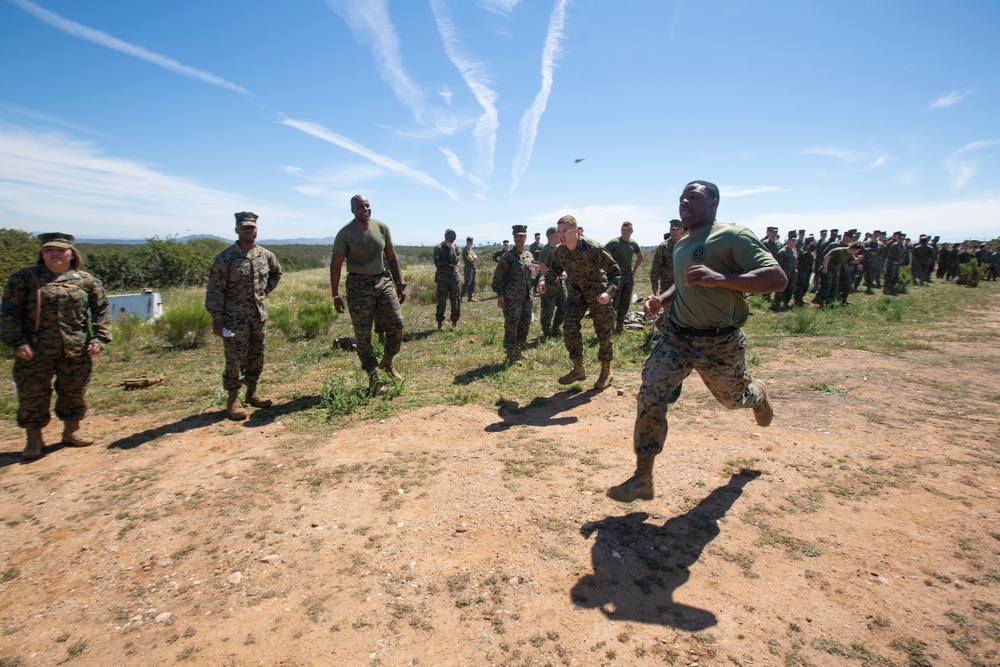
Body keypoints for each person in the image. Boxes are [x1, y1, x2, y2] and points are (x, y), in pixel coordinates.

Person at [606, 181, 786, 502]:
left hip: (719, 341)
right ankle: (642, 477)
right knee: (651, 391)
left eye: (694, 198)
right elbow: (685, 283)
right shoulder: (682, 243)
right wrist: (661, 300)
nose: (685, 202)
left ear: (713, 203)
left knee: (732, 400)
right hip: (677, 334)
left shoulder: (733, 236)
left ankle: (757, 395)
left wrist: (723, 280)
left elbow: (777, 278)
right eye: (682, 198)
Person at [1, 232, 111, 460]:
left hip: (76, 349)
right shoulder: (25, 278)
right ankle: (34, 438)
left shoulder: (85, 280)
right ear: (42, 254)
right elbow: (8, 313)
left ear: (72, 254)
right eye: (49, 250)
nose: (55, 254)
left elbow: (101, 310)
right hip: (33, 351)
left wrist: (100, 339)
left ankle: (72, 432)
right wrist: (17, 342)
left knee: (74, 392)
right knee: (33, 394)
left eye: (61, 250)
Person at [205, 212, 283, 420]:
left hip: (258, 317)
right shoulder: (225, 258)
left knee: (257, 356)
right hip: (233, 319)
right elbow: (215, 290)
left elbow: (277, 273)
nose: (250, 230)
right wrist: (217, 320)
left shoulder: (265, 255)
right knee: (235, 359)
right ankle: (233, 400)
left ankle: (252, 393)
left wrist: (263, 293)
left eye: (252, 227)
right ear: (237, 230)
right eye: (245, 227)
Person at [331, 195, 407, 391]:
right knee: (363, 334)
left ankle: (388, 362)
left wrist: (400, 283)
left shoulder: (381, 227)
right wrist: (335, 295)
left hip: (383, 280)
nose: (365, 209)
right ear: (352, 210)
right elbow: (336, 265)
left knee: (397, 324)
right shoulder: (345, 233)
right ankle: (373, 376)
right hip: (358, 284)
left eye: (367, 206)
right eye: (359, 207)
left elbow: (391, 256)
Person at [538, 215, 621, 390]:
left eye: (565, 231)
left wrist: (608, 293)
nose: (561, 235)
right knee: (569, 326)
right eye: (558, 231)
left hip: (597, 291)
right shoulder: (560, 251)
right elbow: (555, 269)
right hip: (577, 292)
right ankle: (578, 368)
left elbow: (615, 271)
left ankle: (606, 371)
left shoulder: (592, 248)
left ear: (575, 231)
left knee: (603, 330)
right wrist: (544, 280)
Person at [492, 225, 535, 364]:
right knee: (511, 325)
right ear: (513, 238)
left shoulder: (529, 255)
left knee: (524, 324)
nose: (519, 239)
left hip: (527, 297)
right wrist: (500, 295)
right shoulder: (508, 256)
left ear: (525, 238)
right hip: (512, 298)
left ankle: (519, 350)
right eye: (516, 236)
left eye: (521, 236)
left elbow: (532, 275)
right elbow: (498, 277)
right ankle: (510, 354)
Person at [605, 221, 645, 333]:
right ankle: (610, 327)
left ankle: (619, 326)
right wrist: (608, 268)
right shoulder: (614, 242)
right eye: (623, 230)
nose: (625, 232)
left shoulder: (633, 243)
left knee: (625, 301)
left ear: (632, 231)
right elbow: (602, 253)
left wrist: (634, 269)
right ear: (620, 230)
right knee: (614, 301)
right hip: (616, 275)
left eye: (628, 230)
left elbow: (640, 256)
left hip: (628, 275)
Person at [537, 226, 567, 340]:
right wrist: (552, 275)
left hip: (560, 283)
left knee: (564, 305)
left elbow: (561, 264)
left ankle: (556, 328)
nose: (561, 236)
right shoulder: (546, 250)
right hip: (549, 284)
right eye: (558, 234)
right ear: (552, 237)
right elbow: (542, 266)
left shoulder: (559, 248)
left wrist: (563, 272)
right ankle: (546, 332)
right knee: (548, 309)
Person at [433, 229, 461, 329]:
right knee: (441, 301)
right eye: (450, 237)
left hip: (454, 278)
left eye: (453, 238)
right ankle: (439, 322)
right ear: (446, 237)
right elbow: (438, 263)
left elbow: (455, 262)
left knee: (456, 301)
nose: (451, 239)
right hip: (442, 279)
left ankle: (454, 322)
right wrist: (449, 263)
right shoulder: (438, 247)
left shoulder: (456, 247)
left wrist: (452, 250)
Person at [649, 220, 685, 296]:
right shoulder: (663, 246)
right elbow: (656, 266)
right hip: (667, 284)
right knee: (668, 306)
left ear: (681, 230)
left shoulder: (687, 244)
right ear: (669, 230)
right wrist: (654, 284)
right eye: (672, 230)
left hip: (683, 283)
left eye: (676, 230)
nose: (674, 232)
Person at [773, 232, 798, 310]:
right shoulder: (782, 252)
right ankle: (777, 304)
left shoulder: (794, 251)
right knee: (781, 289)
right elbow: (778, 265)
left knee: (790, 289)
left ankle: (786, 303)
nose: (793, 242)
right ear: (788, 241)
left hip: (792, 274)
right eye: (791, 240)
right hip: (784, 274)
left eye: (794, 240)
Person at [461, 236, 478, 302]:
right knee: (467, 283)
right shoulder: (465, 249)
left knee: (472, 283)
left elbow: (476, 256)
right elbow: (470, 259)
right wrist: (473, 257)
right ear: (470, 241)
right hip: (468, 268)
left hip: (472, 267)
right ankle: (460, 296)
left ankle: (470, 297)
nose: (472, 242)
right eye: (472, 241)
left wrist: (473, 257)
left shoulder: (470, 249)